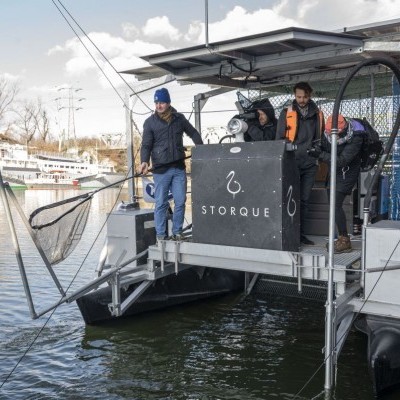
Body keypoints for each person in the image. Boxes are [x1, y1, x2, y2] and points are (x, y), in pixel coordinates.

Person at [139, 88, 203, 241]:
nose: (158, 105)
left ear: (168, 103)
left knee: (180, 201)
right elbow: (146, 145)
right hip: (161, 170)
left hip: (179, 168)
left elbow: (193, 132)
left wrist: (201, 148)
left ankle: (177, 232)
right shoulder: (149, 122)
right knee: (161, 203)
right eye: (156, 103)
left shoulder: (179, 119)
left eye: (161, 102)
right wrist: (144, 161)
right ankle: (161, 235)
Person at [276, 82, 325, 245]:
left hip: (310, 163)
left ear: (309, 95)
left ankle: (300, 235)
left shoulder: (317, 114)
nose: (301, 100)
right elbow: (279, 139)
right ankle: (287, 234)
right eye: (298, 97)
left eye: (304, 97)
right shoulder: (286, 113)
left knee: (304, 200)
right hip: (292, 162)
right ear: (294, 96)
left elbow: (320, 138)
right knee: (289, 198)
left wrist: (316, 153)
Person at [308, 114, 364, 253]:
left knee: (335, 204)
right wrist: (317, 147)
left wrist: (320, 155)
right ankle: (340, 237)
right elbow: (327, 147)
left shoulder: (356, 137)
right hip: (334, 170)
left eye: (334, 133)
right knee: (332, 203)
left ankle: (345, 240)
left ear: (343, 128)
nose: (329, 134)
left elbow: (342, 161)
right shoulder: (328, 133)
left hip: (347, 171)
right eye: (328, 132)